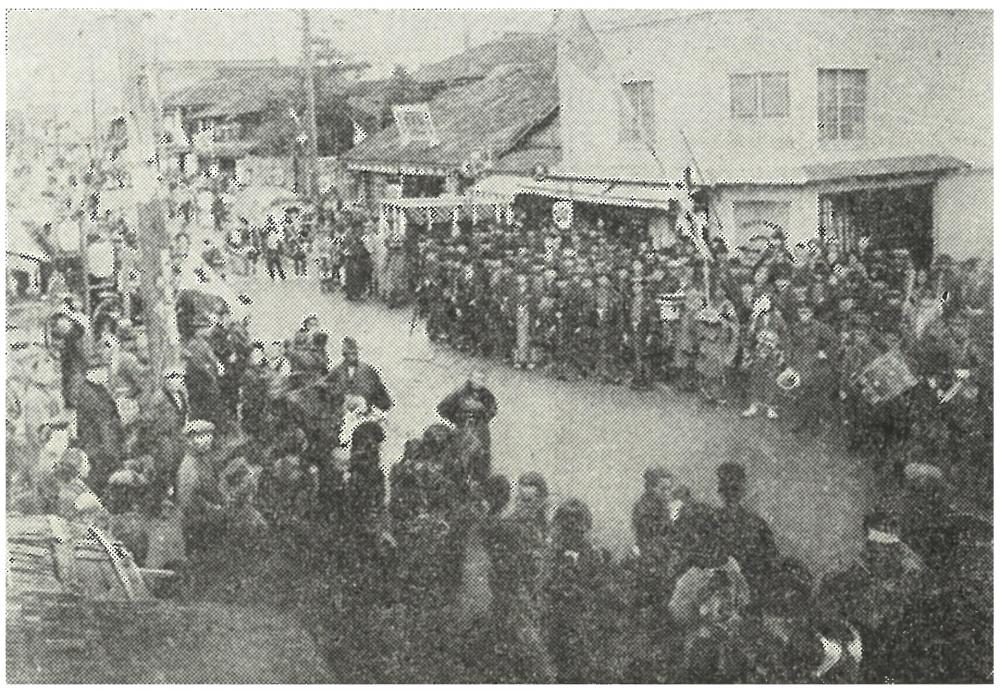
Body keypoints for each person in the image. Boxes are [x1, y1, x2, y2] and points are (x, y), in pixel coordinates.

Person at [714, 461, 778, 598]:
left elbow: (772, 563)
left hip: (752, 595)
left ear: (742, 490)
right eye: (725, 489)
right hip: (717, 597)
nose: (729, 494)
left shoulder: (758, 525)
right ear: (719, 490)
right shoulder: (710, 522)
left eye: (734, 489)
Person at [135, 367, 189, 511]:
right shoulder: (158, 397)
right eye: (171, 380)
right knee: (164, 468)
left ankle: (176, 498)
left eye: (177, 379)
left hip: (178, 436)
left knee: (178, 466)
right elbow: (149, 418)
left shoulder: (181, 394)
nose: (175, 383)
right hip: (164, 437)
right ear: (165, 382)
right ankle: (159, 503)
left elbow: (183, 413)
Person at [75, 353, 125, 499]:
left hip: (99, 447)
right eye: (102, 369)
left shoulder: (96, 388)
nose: (106, 373)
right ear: (91, 372)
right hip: (99, 449)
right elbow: (104, 426)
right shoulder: (90, 393)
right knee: (100, 484)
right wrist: (113, 454)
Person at [175, 419, 226, 557]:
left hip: (208, 516)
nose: (206, 440)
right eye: (200, 436)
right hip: (196, 521)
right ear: (190, 440)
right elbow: (188, 500)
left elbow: (212, 486)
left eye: (209, 435)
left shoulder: (204, 460)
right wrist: (212, 508)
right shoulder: (189, 466)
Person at [436, 369, 498, 472]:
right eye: (476, 378)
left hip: (480, 429)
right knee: (460, 455)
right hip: (463, 428)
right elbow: (443, 408)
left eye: (482, 379)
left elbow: (492, 411)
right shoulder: (460, 392)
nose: (479, 381)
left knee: (482, 455)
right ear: (470, 378)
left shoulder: (487, 395)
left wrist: (482, 413)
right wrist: (456, 420)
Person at [324, 336, 393, 413]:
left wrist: (383, 404)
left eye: (355, 353)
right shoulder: (338, 370)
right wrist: (338, 393)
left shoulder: (367, 369)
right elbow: (325, 384)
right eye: (351, 353)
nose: (354, 356)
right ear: (345, 355)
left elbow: (379, 389)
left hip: (363, 411)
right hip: (342, 411)